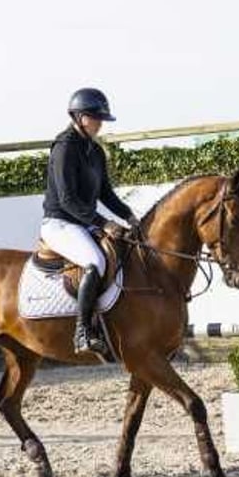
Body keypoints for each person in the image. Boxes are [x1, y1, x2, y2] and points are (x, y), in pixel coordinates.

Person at [41, 88, 140, 355]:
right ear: (80, 117)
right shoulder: (64, 148)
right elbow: (67, 199)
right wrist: (103, 223)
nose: (100, 123)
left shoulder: (94, 151)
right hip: (59, 223)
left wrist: (129, 215)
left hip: (83, 223)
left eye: (101, 118)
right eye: (96, 118)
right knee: (94, 261)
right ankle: (83, 332)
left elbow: (105, 193)